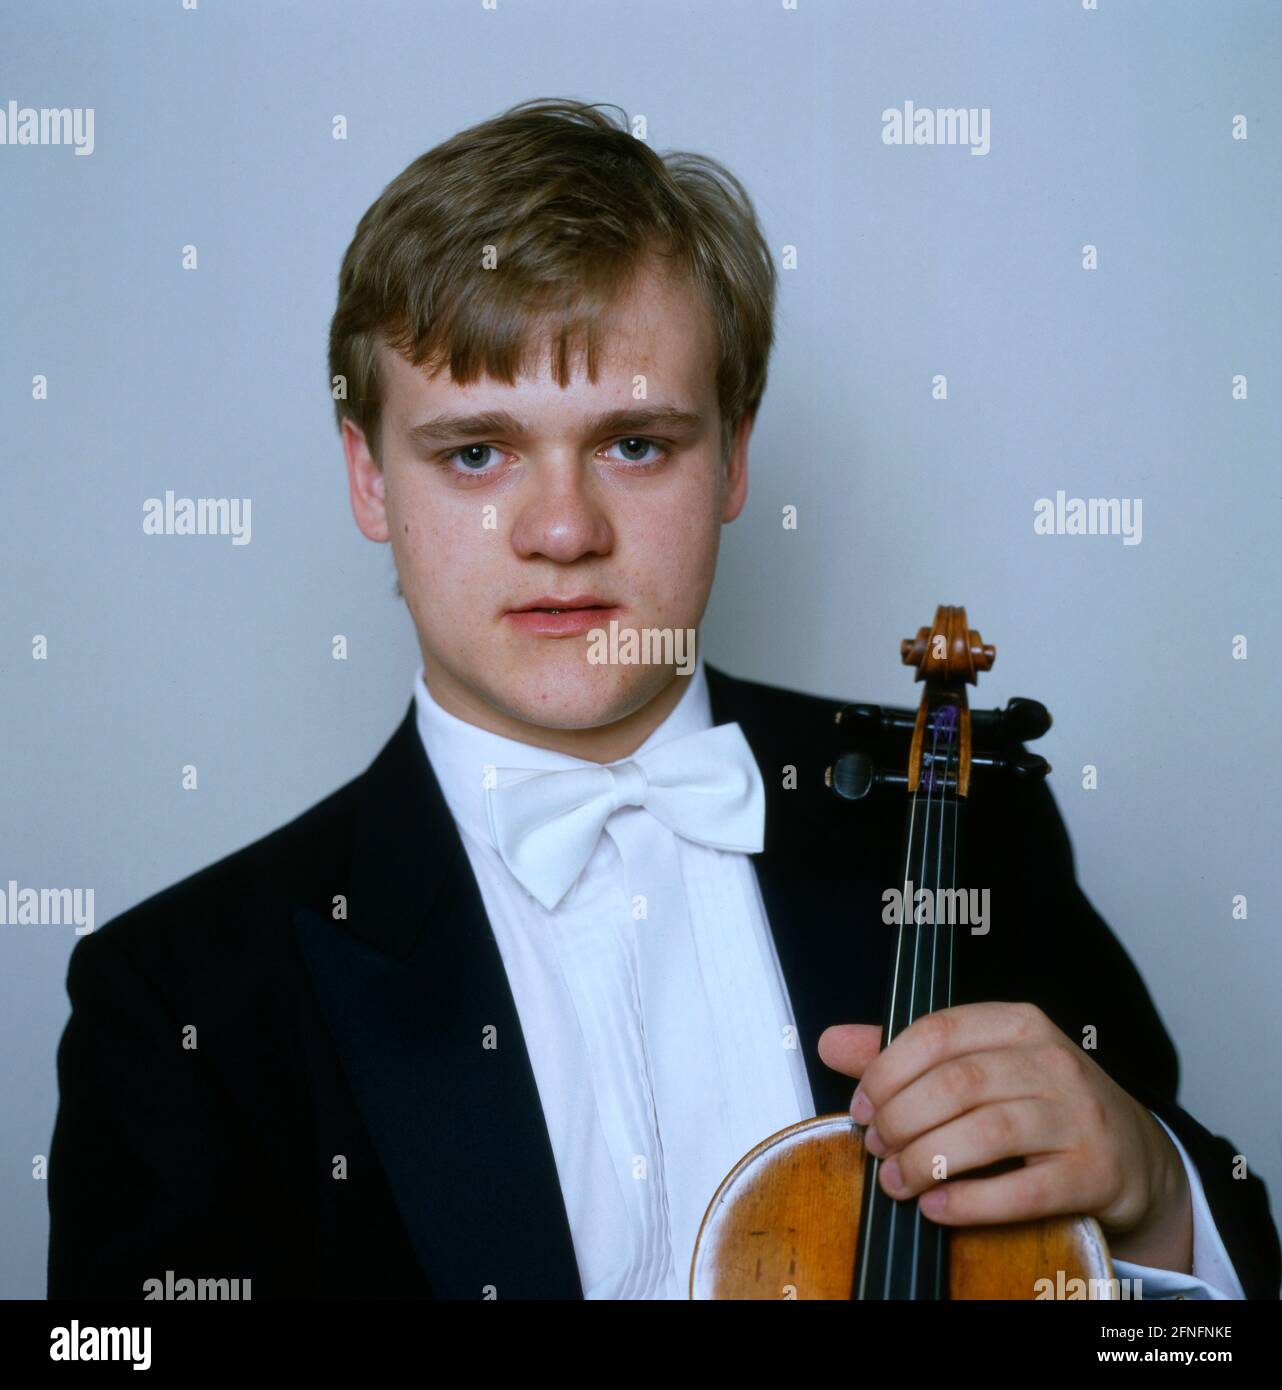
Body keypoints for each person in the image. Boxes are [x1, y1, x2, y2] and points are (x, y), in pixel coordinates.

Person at [47, 99, 1280, 1301]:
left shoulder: (959, 824)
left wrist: (1159, 1200)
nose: (564, 530)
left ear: (735, 456)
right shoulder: (180, 1000)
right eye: (475, 450)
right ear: (370, 478)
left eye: (635, 443)